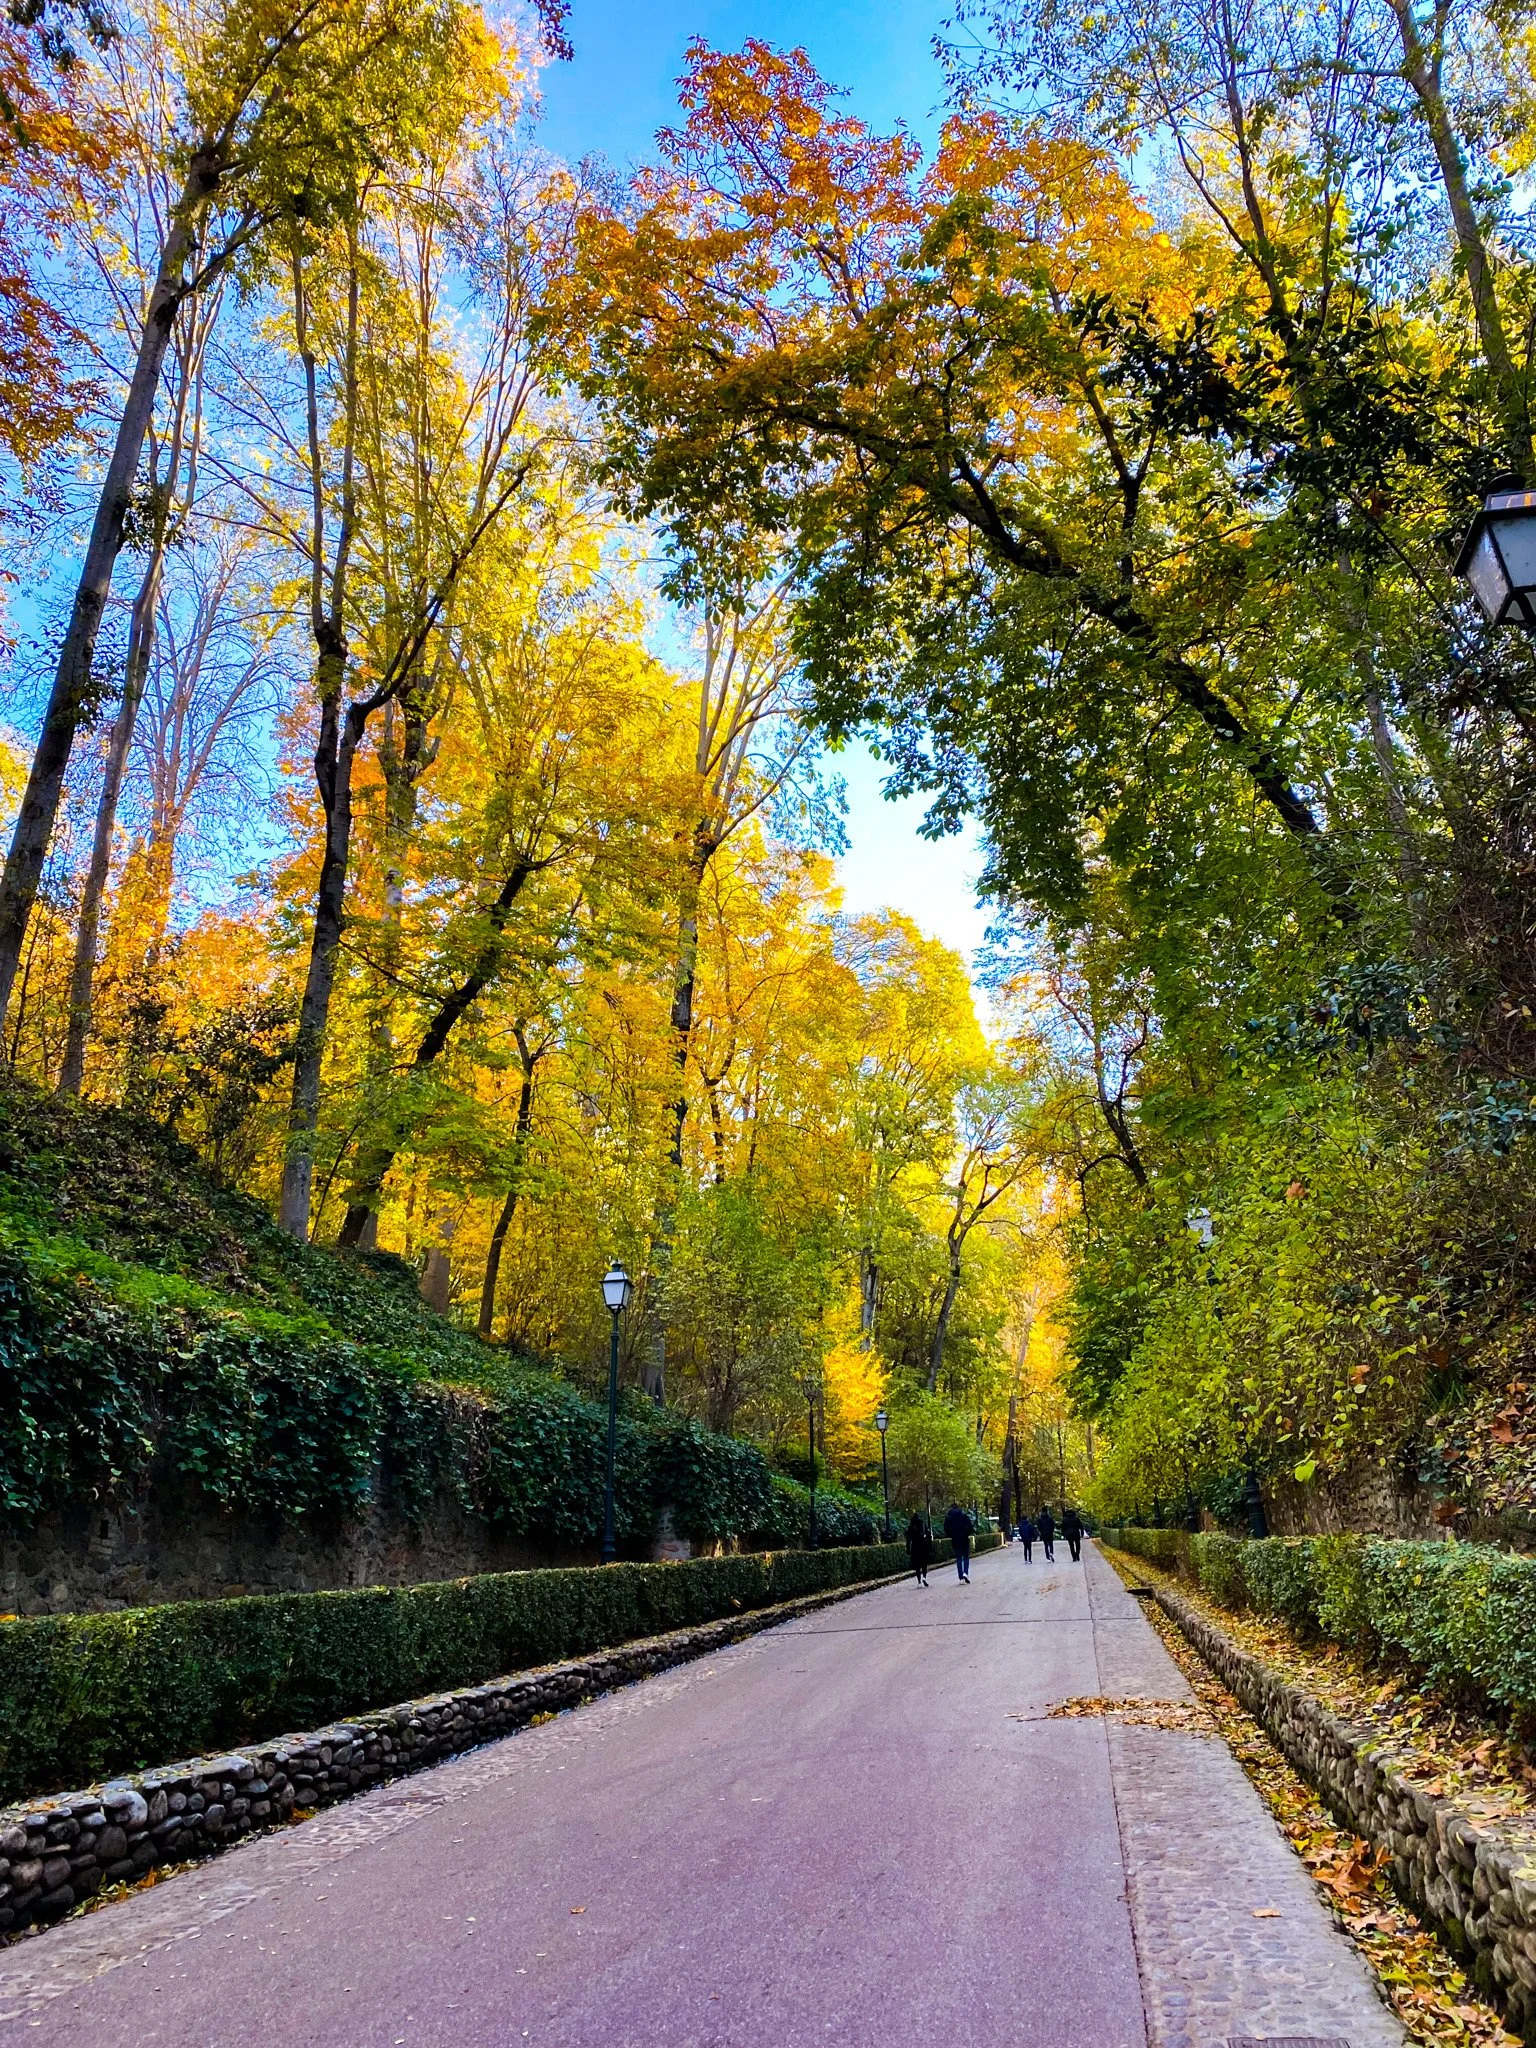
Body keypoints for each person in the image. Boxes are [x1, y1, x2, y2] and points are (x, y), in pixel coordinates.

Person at [942, 1502, 974, 1582]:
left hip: (955, 1539)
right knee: (966, 1556)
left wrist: (951, 1534)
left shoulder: (949, 1517)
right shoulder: (964, 1516)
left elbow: (946, 1528)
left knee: (959, 1557)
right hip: (964, 1538)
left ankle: (960, 1577)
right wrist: (966, 1532)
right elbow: (970, 1527)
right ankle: (965, 1573)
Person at [905, 1511, 934, 1586]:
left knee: (917, 1565)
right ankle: (924, 1577)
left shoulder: (911, 1526)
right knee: (924, 1563)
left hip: (915, 1547)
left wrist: (908, 1549)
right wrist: (930, 1548)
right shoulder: (923, 1525)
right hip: (924, 1546)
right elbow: (929, 1536)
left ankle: (919, 1581)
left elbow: (908, 1539)